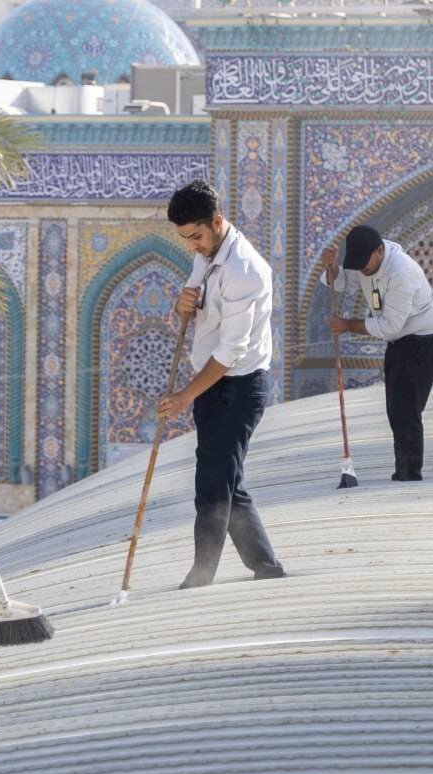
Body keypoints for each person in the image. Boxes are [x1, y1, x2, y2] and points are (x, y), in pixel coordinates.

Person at [157, 180, 287, 589]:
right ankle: (266, 565)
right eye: (185, 239)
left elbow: (231, 352)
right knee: (227, 479)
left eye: (196, 236)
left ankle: (201, 575)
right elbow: (195, 306)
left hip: (240, 388)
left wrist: (184, 396)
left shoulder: (244, 270)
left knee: (213, 484)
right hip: (211, 384)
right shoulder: (207, 254)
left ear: (217, 222)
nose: (192, 246)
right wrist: (183, 305)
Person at [322, 225, 433, 481]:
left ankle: (409, 473)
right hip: (401, 340)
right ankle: (404, 469)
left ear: (379, 251)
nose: (362, 270)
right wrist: (332, 267)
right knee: (397, 407)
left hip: (426, 340)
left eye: (364, 264)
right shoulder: (365, 262)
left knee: (405, 407)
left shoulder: (402, 271)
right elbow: (342, 283)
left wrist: (347, 325)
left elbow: (390, 326)